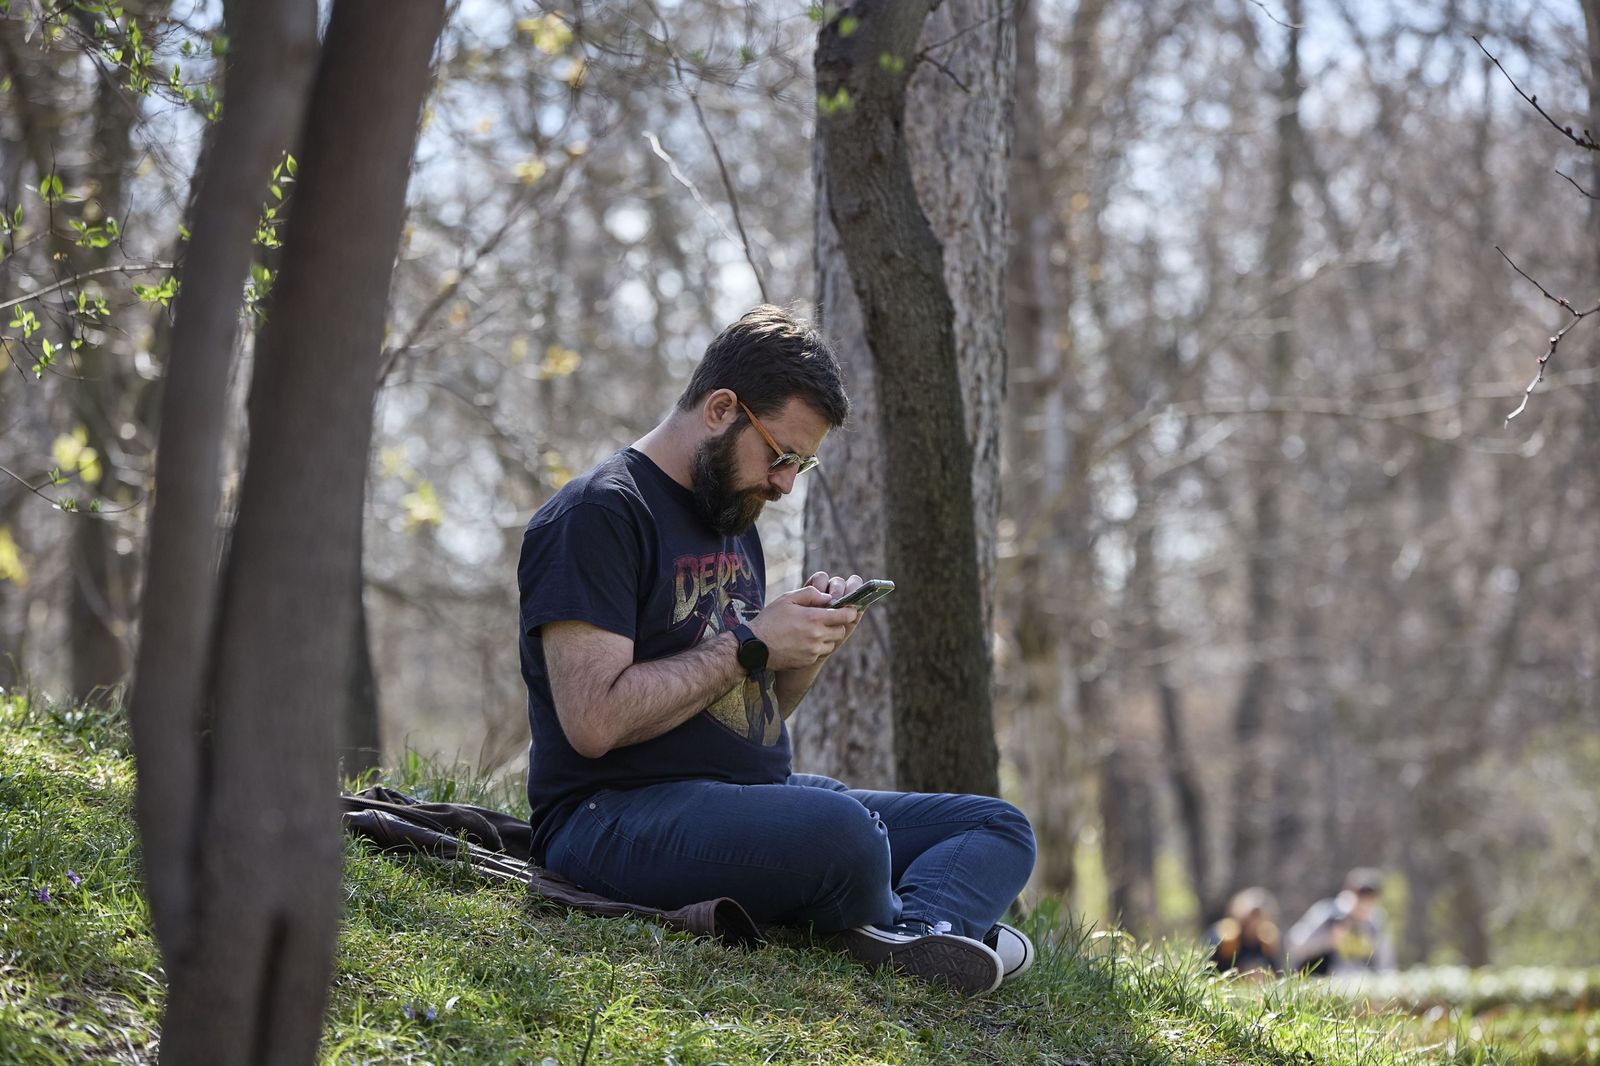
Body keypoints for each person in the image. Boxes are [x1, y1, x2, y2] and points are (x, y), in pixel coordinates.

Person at [517, 305, 1037, 997]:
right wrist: (751, 641)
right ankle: (921, 927)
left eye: (801, 463)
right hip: (610, 818)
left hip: (747, 800)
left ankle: (917, 934)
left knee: (996, 825)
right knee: (844, 833)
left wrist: (805, 647)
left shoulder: (733, 517)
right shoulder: (598, 515)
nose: (786, 483)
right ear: (721, 408)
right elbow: (594, 722)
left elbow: (751, 710)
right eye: (781, 454)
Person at [1284, 867, 1396, 975]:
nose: (1364, 905)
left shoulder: (1375, 923)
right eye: (1361, 896)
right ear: (1349, 893)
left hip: (1359, 983)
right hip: (1321, 981)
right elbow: (1293, 944)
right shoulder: (1328, 913)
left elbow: (1386, 964)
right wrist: (1328, 939)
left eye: (1370, 899)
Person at [1206, 887, 1282, 977]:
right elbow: (1207, 967)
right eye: (1252, 915)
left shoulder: (1265, 942)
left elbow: (1275, 972)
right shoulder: (1226, 936)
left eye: (1258, 916)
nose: (1255, 921)